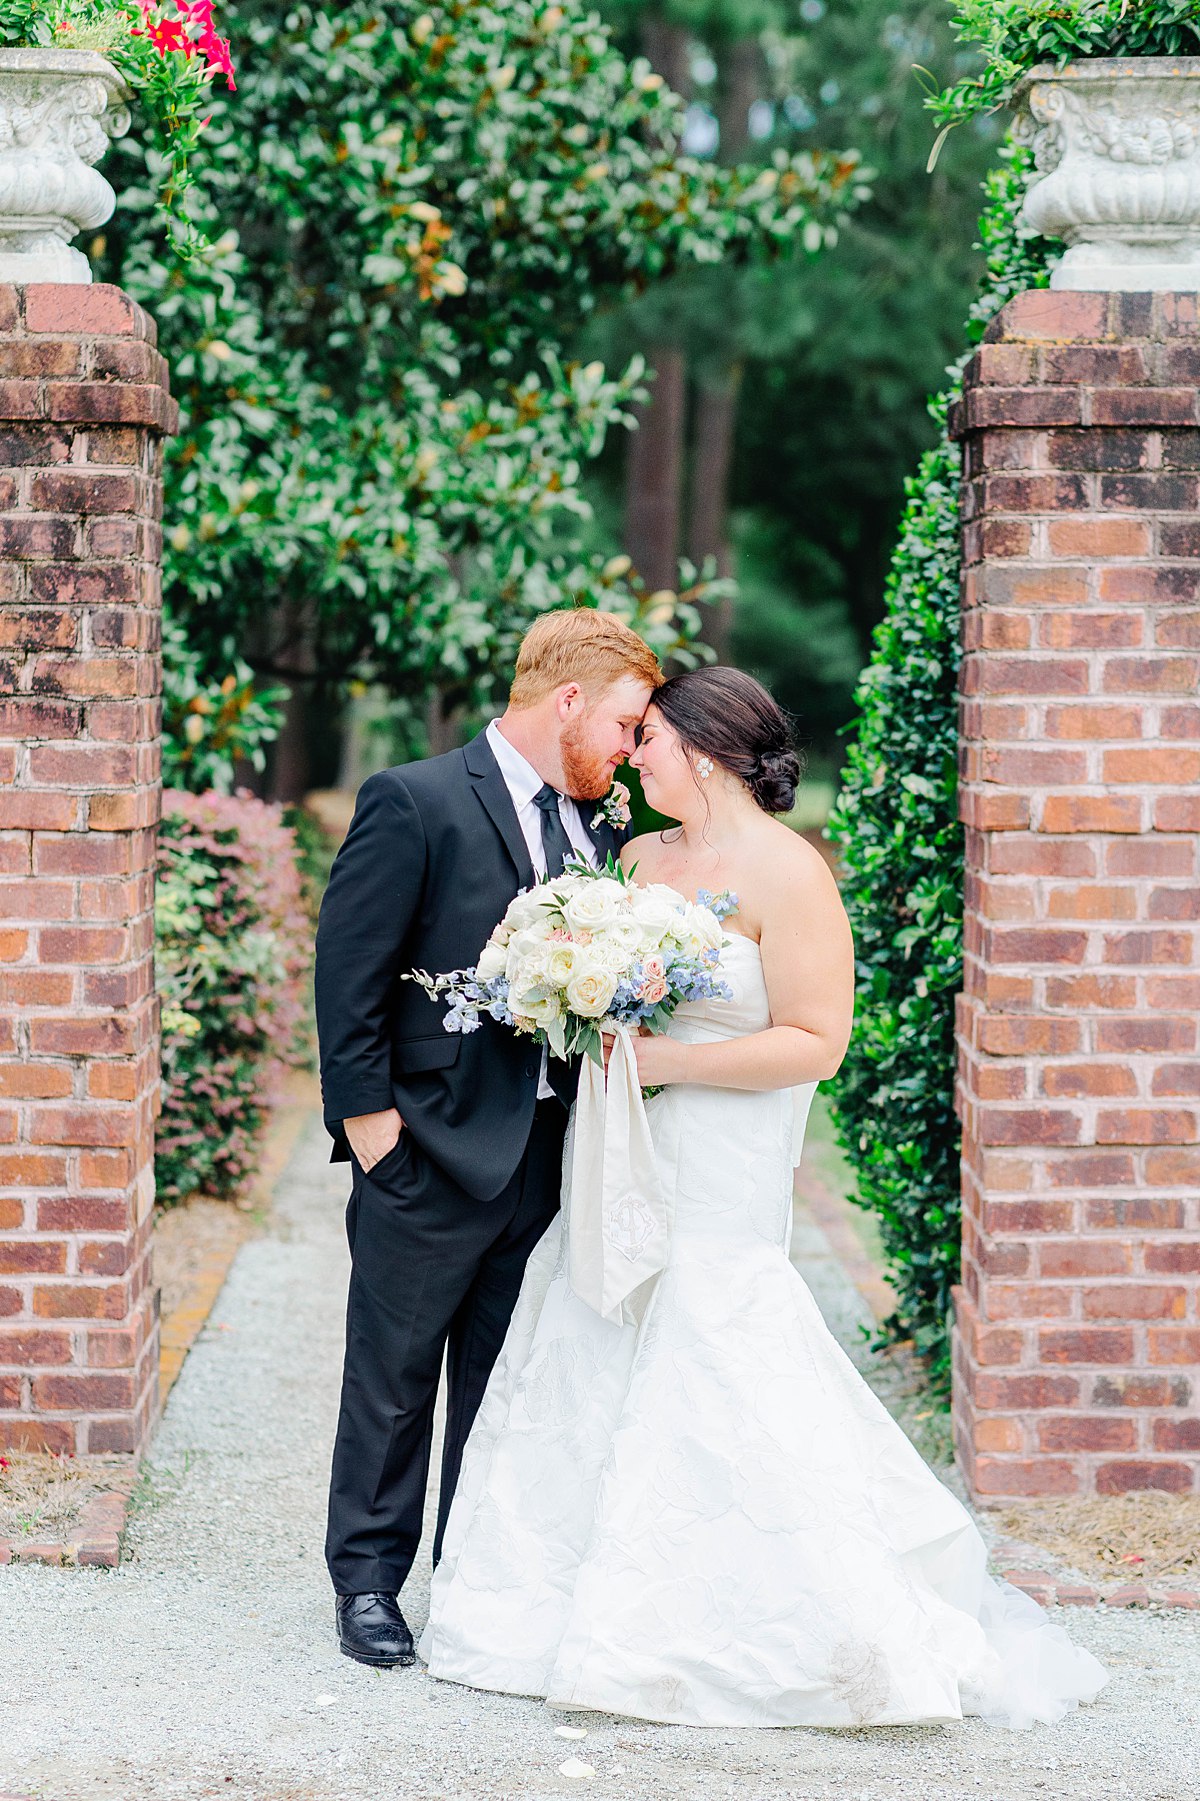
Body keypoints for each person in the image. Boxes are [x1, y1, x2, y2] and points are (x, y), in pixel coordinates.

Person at [419, 665, 1108, 1729]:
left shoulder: (792, 875)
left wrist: (671, 1067)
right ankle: (560, 1614)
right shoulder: (638, 857)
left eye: (648, 737)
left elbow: (816, 1042)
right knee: (597, 1323)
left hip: (723, 1154)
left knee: (721, 1341)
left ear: (701, 748)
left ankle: (778, 1623)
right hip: (625, 1149)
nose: (632, 754)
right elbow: (610, 988)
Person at [314, 608, 662, 1667]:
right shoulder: (415, 800)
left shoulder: (601, 829)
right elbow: (350, 971)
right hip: (423, 1152)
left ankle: (468, 1573)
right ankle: (368, 1584)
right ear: (568, 702)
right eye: (626, 724)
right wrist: (375, 1133)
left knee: (504, 1381)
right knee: (394, 1377)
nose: (632, 750)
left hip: (544, 1159)